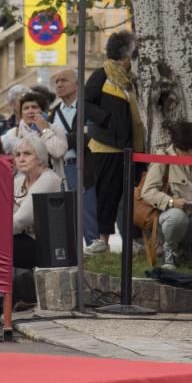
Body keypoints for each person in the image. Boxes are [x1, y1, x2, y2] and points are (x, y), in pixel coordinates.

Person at [83, 31, 145, 256]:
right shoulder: (102, 74)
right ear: (124, 53)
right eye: (132, 50)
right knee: (107, 195)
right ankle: (102, 240)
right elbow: (85, 102)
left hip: (132, 148)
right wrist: (106, 120)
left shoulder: (132, 80)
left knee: (134, 195)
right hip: (107, 147)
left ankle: (136, 240)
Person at [140, 122, 192, 273]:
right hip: (169, 217)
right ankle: (169, 252)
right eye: (188, 149)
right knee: (177, 216)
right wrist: (171, 201)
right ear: (178, 147)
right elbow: (147, 191)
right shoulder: (162, 158)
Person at [50, 68, 98, 246]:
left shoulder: (86, 108)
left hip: (80, 165)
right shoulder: (54, 112)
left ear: (77, 85)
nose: (59, 84)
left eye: (64, 80)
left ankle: (94, 248)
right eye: (57, 81)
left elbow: (85, 137)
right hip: (59, 167)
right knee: (64, 214)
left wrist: (56, 140)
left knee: (86, 212)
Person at [12, 134, 64, 268]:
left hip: (47, 247)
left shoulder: (48, 180)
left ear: (40, 158)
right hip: (22, 239)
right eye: (17, 155)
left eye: (27, 154)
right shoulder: (18, 182)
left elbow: (21, 219)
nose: (21, 159)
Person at [1, 92, 67, 180]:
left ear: (43, 111)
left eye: (34, 107)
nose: (30, 111)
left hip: (50, 182)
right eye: (26, 108)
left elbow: (58, 152)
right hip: (22, 184)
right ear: (21, 113)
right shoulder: (12, 134)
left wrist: (44, 130)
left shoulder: (55, 129)